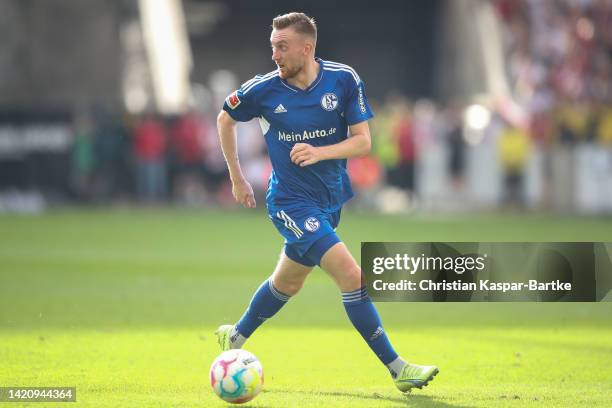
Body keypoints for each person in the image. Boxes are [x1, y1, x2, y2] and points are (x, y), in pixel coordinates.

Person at [215, 12, 438, 392]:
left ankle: (234, 337)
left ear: (307, 47)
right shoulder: (263, 89)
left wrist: (320, 152)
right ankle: (398, 368)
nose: (275, 55)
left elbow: (363, 141)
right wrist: (237, 177)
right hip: (289, 202)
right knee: (352, 276)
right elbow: (225, 118)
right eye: (273, 47)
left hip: (330, 202)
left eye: (282, 47)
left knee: (287, 283)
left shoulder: (343, 80)